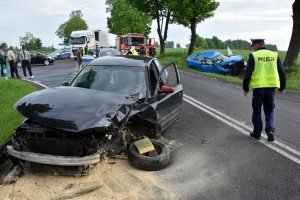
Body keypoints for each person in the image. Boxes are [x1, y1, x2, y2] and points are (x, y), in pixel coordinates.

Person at [243, 39, 286, 142]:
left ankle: (257, 133)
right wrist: (282, 87)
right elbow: (282, 72)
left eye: (253, 46)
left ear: (257, 45)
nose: (252, 48)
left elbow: (247, 74)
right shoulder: (274, 55)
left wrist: (245, 88)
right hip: (271, 89)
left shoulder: (254, 56)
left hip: (258, 89)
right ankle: (270, 131)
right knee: (269, 110)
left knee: (257, 111)